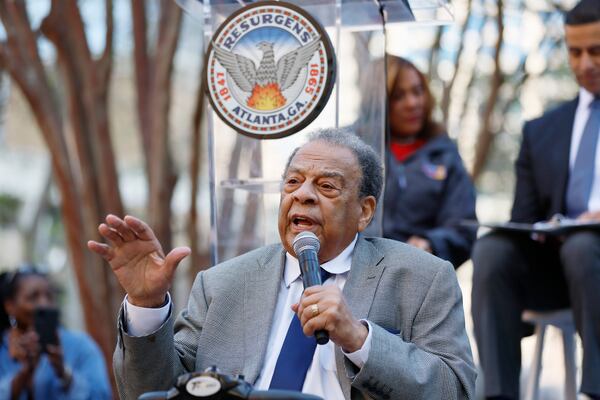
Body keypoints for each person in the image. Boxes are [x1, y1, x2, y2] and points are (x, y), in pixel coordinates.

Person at [88, 128, 476, 400]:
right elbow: (151, 392)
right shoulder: (222, 284)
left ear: (364, 211)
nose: (303, 195)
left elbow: (454, 391)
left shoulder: (422, 278)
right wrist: (146, 306)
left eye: (326, 186)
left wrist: (360, 339)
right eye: (293, 183)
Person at [471, 1, 600, 399]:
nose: (583, 64)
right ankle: (498, 393)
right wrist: (540, 232)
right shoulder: (542, 130)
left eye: (595, 51)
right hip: (559, 271)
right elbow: (523, 218)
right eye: (574, 52)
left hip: (592, 261)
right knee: (492, 250)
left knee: (583, 246)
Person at [382, 56, 477, 268]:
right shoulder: (354, 147)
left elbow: (463, 227)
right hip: (357, 273)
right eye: (399, 96)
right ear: (380, 100)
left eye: (418, 91)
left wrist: (430, 243)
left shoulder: (445, 153)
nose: (412, 103)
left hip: (419, 273)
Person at [0, 266, 112, 400]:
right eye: (32, 297)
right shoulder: (3, 348)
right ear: (10, 306)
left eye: (50, 296)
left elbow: (101, 395)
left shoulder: (81, 346)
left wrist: (63, 372)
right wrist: (25, 372)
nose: (44, 304)